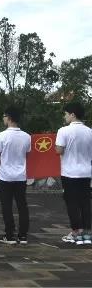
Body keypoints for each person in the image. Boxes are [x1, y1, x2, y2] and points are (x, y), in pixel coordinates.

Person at [0, 105, 31, 245]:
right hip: (21, 176)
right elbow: (27, 155)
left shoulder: (1, 136)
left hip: (5, 176)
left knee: (7, 206)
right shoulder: (27, 136)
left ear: (8, 118)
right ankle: (23, 235)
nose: (3, 119)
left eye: (4, 116)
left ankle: (9, 235)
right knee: (22, 206)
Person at [56, 102, 92, 245]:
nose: (64, 116)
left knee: (72, 203)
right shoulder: (89, 131)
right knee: (85, 202)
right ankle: (87, 233)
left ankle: (76, 232)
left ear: (72, 114)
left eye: (66, 114)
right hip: (86, 172)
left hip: (69, 172)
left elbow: (59, 150)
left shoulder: (63, 131)